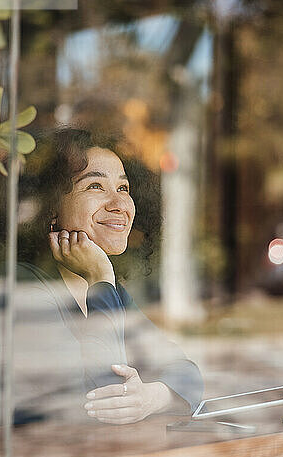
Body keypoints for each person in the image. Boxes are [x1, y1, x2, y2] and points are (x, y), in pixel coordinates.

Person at [28, 126, 204, 425]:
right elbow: (104, 398)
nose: (120, 204)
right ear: (52, 208)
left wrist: (155, 397)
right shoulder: (29, 290)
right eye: (95, 186)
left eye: (123, 188)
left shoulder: (111, 293)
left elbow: (188, 373)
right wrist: (99, 274)